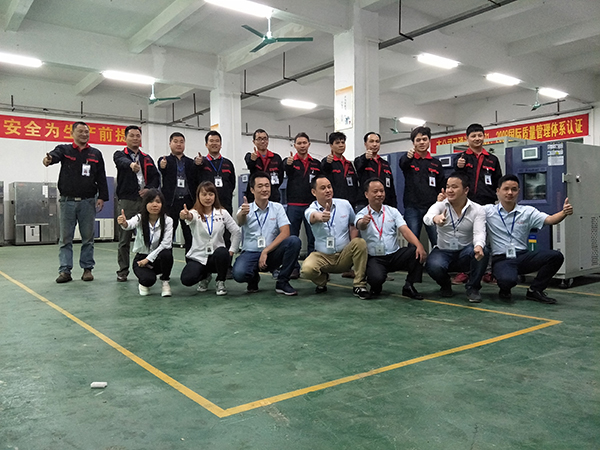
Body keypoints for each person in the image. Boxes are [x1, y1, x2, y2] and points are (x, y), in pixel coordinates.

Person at [485, 174, 573, 304]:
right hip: (502, 258)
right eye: (506, 189)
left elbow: (550, 219)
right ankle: (505, 288)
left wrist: (564, 212)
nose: (510, 193)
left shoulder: (527, 212)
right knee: (508, 280)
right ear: (498, 191)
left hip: (523, 256)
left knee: (555, 256)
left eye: (514, 189)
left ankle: (535, 290)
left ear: (519, 192)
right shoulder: (488, 211)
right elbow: (467, 211)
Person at [42, 121, 109, 283]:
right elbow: (54, 156)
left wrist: (102, 197)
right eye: (80, 131)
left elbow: (101, 176)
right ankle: (65, 271)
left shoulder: (95, 153)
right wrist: (49, 159)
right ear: (72, 133)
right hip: (67, 202)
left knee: (88, 238)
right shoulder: (64, 150)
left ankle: (87, 269)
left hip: (88, 202)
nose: (84, 134)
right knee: (65, 238)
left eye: (86, 132)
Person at [300, 175, 369, 299]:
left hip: (344, 255)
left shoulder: (345, 204)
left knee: (360, 243)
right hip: (323, 256)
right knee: (306, 270)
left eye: (329, 187)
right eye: (323, 188)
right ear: (314, 192)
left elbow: (353, 224)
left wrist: (352, 243)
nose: (328, 190)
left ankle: (359, 285)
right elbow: (314, 216)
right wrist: (322, 217)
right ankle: (322, 280)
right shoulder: (310, 210)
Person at [356, 178, 426, 299]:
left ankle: (409, 286)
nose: (379, 194)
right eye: (375, 191)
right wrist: (363, 222)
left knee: (416, 252)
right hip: (375, 258)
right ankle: (375, 286)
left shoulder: (392, 211)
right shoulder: (362, 214)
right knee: (376, 278)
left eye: (382, 191)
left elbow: (405, 230)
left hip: (394, 255)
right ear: (366, 194)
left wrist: (419, 245)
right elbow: (359, 225)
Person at [232, 171, 301, 295]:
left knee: (294, 241)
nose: (264, 189)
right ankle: (253, 278)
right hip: (251, 253)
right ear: (252, 190)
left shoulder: (277, 207)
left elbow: (285, 233)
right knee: (239, 273)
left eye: (267, 185)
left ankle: (282, 282)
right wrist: (243, 213)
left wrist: (266, 251)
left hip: (271, 253)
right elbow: (240, 222)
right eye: (260, 186)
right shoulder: (246, 208)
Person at [423, 172, 489, 302]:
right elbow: (427, 217)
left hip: (465, 252)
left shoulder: (477, 209)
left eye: (454, 187)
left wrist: (478, 246)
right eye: (448, 187)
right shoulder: (440, 205)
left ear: (466, 190)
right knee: (433, 265)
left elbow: (479, 232)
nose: (449, 190)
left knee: (484, 251)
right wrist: (436, 218)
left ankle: (473, 288)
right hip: (443, 251)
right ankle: (445, 285)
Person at [453, 123, 502, 285]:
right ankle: (464, 271)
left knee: (486, 237)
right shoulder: (461, 159)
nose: (477, 138)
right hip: (466, 204)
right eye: (473, 136)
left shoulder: (492, 159)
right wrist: (458, 167)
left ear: (484, 137)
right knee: (465, 237)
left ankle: (487, 272)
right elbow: (455, 181)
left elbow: (498, 183)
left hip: (487, 203)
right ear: (467, 139)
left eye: (479, 135)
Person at [113, 125, 160, 282]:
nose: (135, 138)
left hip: (145, 201)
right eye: (131, 135)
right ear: (125, 138)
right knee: (124, 238)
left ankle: (149, 265)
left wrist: (149, 189)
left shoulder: (147, 158)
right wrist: (131, 165)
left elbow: (156, 177)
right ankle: (123, 270)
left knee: (149, 235)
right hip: (127, 201)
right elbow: (121, 162)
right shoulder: (120, 154)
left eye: (137, 136)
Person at [180, 182, 241, 296]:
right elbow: (189, 217)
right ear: (198, 196)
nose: (208, 198)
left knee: (222, 252)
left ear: (215, 196)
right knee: (187, 279)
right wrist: (185, 215)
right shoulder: (194, 213)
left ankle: (220, 281)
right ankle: (204, 276)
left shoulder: (222, 213)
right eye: (204, 194)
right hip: (199, 257)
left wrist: (232, 250)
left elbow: (236, 231)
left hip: (217, 257)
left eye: (210, 194)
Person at [116, 189, 173, 297]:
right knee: (148, 280)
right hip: (141, 258)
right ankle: (144, 282)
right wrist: (124, 223)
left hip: (156, 259)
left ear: (162, 204)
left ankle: (165, 282)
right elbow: (130, 224)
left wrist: (148, 259)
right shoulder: (140, 218)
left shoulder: (168, 220)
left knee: (167, 254)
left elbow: (166, 244)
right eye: (150, 202)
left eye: (158, 202)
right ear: (145, 204)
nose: (154, 205)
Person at [399, 126, 444, 246]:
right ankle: (413, 259)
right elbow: (402, 164)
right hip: (412, 207)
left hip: (432, 207)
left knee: (437, 241)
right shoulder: (408, 160)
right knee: (413, 242)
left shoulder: (436, 163)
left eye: (424, 139)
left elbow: (441, 185)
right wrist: (408, 156)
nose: (422, 142)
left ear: (429, 141)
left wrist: (440, 199)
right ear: (413, 143)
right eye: (418, 140)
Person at [284, 132, 321, 269]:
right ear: (294, 146)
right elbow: (286, 170)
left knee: (313, 237)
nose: (302, 145)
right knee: (292, 238)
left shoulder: (316, 163)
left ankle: (313, 267)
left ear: (309, 144)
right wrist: (288, 164)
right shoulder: (289, 162)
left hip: (311, 206)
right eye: (299, 143)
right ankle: (293, 268)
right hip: (293, 206)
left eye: (304, 143)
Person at [158, 132, 198, 253]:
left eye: (181, 142)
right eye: (175, 141)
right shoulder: (165, 160)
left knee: (190, 235)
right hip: (171, 203)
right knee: (168, 234)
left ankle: (191, 261)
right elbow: (161, 169)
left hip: (188, 202)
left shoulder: (191, 162)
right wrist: (162, 166)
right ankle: (165, 261)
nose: (179, 144)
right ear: (170, 144)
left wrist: (199, 165)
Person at [196, 131, 236, 215]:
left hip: (225, 204)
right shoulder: (201, 163)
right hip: (206, 205)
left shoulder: (228, 163)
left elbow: (232, 183)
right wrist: (197, 163)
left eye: (217, 141)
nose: (214, 143)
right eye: (211, 141)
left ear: (221, 144)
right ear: (206, 144)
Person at [355, 132, 398, 210]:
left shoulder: (385, 164)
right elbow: (358, 166)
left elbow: (391, 187)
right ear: (365, 144)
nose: (375, 144)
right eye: (371, 141)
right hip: (365, 204)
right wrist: (365, 158)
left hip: (384, 204)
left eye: (377, 141)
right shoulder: (360, 160)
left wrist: (394, 206)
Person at [321, 132, 360, 210]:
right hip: (334, 202)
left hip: (350, 203)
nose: (341, 145)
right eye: (337, 143)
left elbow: (355, 183)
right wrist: (327, 162)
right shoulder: (328, 162)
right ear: (331, 145)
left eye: (343, 142)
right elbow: (324, 169)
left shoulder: (349, 164)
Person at [244, 129, 284, 203]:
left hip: (273, 197)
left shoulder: (276, 158)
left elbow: (280, 177)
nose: (262, 141)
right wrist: (253, 160)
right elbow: (250, 166)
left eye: (265, 139)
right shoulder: (250, 157)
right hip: (254, 198)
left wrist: (272, 187)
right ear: (254, 142)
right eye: (259, 139)